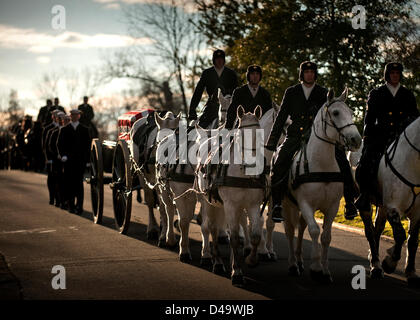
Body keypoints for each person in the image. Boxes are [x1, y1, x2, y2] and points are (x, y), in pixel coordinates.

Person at [266, 61, 358, 222]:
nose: (310, 74)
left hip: (319, 136)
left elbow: (331, 117)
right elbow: (281, 117)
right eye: (307, 72)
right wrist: (272, 142)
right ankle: (277, 205)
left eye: (312, 72)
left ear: (315, 74)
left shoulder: (323, 92)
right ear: (302, 74)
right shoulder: (291, 92)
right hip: (295, 135)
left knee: (343, 161)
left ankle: (350, 203)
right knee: (280, 162)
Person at [355, 62, 419, 212]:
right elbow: (369, 118)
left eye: (397, 73)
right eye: (392, 73)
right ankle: (364, 195)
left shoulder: (407, 94)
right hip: (381, 137)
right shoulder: (377, 93)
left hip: (403, 138)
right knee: (365, 163)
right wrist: (368, 136)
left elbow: (415, 117)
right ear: (387, 75)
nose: (395, 76)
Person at [188, 49, 238, 128]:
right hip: (212, 106)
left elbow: (237, 92)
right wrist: (192, 110)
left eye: (221, 59)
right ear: (214, 60)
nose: (219, 61)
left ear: (224, 60)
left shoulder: (231, 73)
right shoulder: (207, 73)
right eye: (217, 59)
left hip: (229, 106)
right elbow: (198, 92)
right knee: (200, 127)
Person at [57, 109, 91, 214]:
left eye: (76, 115)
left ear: (79, 116)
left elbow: (88, 146)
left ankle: (79, 206)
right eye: (72, 115)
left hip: (80, 161)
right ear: (70, 116)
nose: (74, 116)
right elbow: (60, 144)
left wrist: (88, 160)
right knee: (70, 184)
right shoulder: (64, 129)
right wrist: (63, 155)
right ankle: (71, 205)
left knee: (79, 184)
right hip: (69, 161)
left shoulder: (85, 129)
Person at [225, 65, 272, 129]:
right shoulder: (239, 92)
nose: (255, 76)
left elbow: (269, 114)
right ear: (248, 76)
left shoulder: (265, 94)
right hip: (242, 127)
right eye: (252, 74)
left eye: (257, 74)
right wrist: (228, 129)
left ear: (260, 76)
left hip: (259, 130)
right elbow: (231, 112)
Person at [42, 110, 61, 205]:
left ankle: (58, 198)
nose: (57, 118)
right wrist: (47, 158)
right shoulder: (48, 129)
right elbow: (45, 145)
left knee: (58, 178)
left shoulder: (63, 127)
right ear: (53, 117)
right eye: (55, 116)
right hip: (51, 158)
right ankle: (51, 196)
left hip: (59, 158)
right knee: (51, 178)